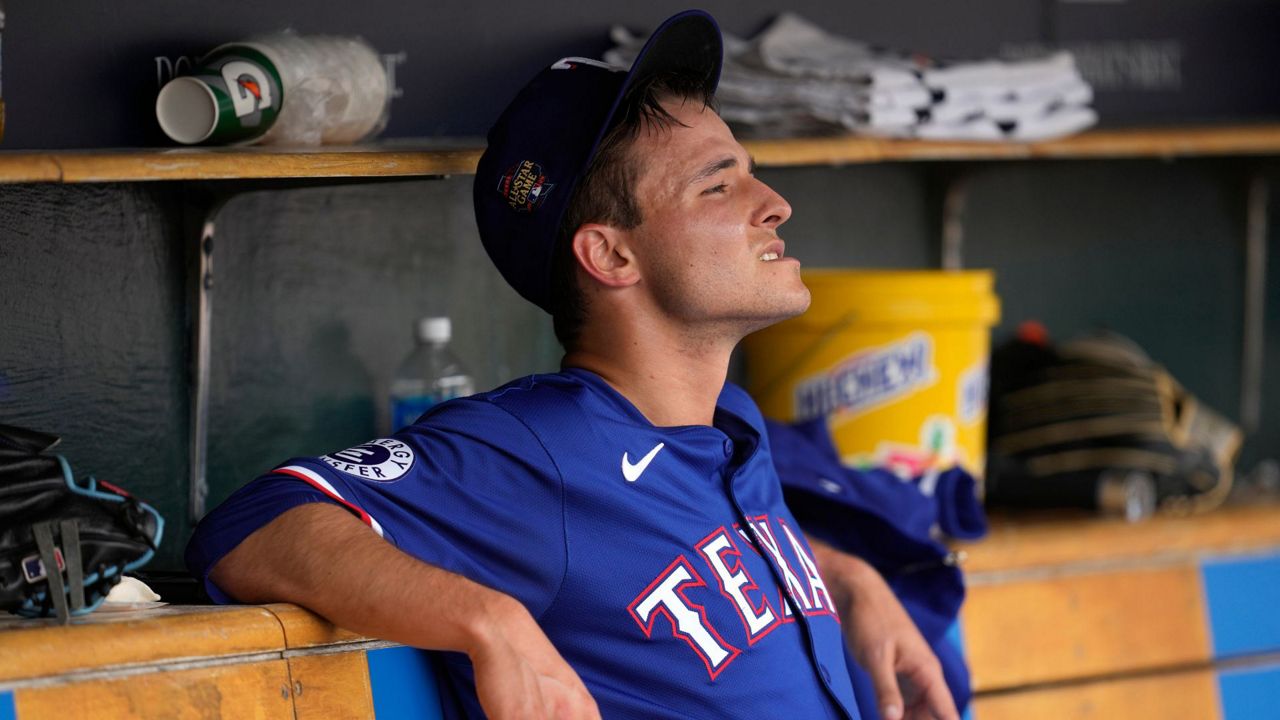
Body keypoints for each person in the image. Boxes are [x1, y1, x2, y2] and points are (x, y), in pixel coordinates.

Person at [186, 10, 958, 720]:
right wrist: (488, 621)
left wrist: (841, 576)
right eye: (719, 183)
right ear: (612, 254)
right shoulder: (539, 449)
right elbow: (253, 524)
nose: (774, 203)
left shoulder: (725, 422)